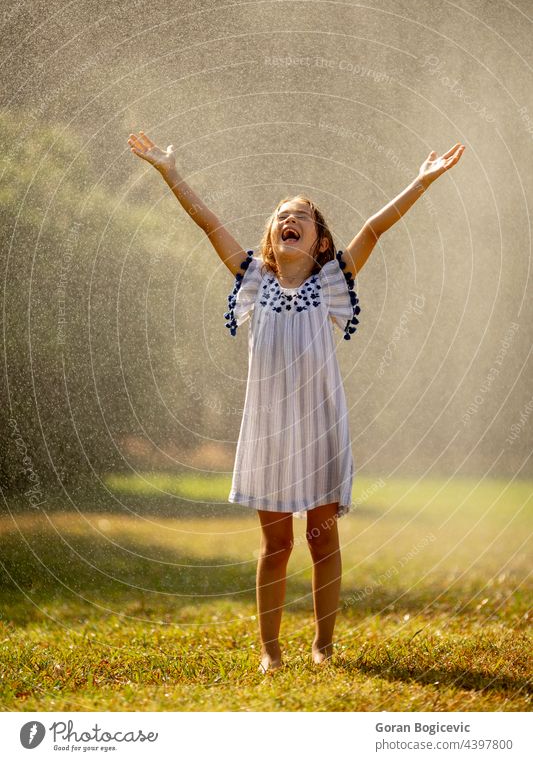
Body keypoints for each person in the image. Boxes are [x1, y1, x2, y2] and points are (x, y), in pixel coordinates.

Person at [127, 130, 465, 673]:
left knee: (323, 540)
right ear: (271, 236)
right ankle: (270, 650)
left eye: (301, 215)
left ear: (320, 242)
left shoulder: (334, 279)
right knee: (277, 545)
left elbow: (375, 227)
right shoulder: (254, 278)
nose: (289, 217)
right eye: (282, 213)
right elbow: (209, 222)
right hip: (269, 433)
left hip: (320, 427)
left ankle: (324, 646)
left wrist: (420, 182)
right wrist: (171, 173)